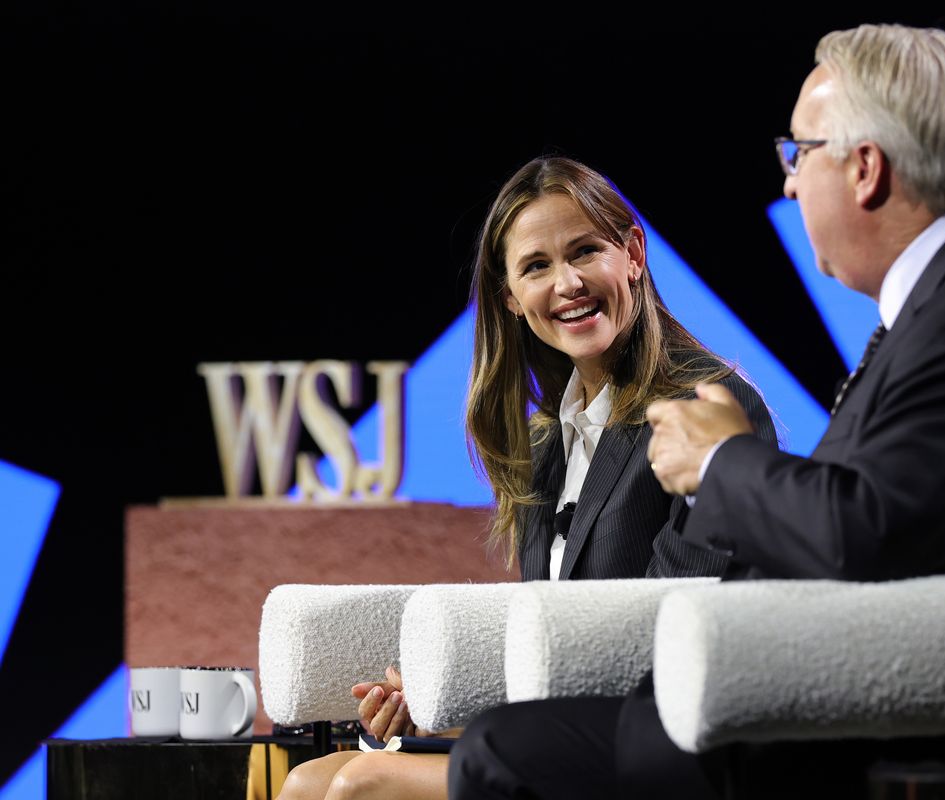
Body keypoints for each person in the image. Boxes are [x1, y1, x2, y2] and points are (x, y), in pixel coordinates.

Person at [448, 25, 945, 799]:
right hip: (836, 689)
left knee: (499, 755)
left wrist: (719, 460)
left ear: (865, 169)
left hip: (882, 719)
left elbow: (863, 533)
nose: (790, 186)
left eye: (799, 155)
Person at [276, 156, 776, 800]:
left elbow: (674, 639)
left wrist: (467, 692)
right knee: (309, 781)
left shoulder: (704, 409)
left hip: (669, 742)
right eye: (537, 266)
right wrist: (436, 694)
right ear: (511, 297)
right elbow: (552, 649)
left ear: (633, 252)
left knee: (363, 783)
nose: (566, 283)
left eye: (585, 251)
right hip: (576, 729)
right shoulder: (547, 442)